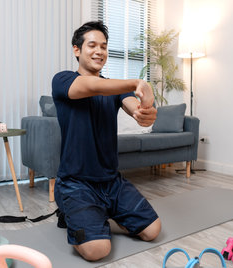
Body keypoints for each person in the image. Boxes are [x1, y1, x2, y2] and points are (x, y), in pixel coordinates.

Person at [52, 21, 161, 261]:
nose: (99, 51)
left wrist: (145, 112)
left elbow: (135, 110)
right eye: (92, 45)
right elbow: (93, 86)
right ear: (76, 50)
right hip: (75, 184)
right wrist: (135, 83)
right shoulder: (63, 80)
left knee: (153, 231)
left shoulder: (115, 90)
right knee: (97, 250)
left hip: (112, 182)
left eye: (103, 46)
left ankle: (102, 211)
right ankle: (70, 211)